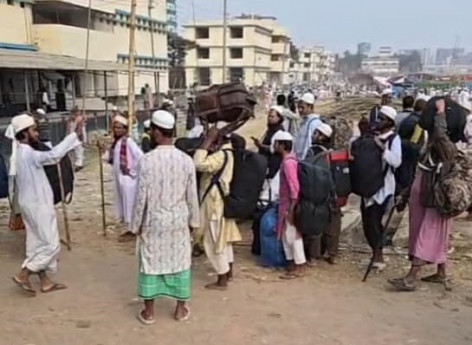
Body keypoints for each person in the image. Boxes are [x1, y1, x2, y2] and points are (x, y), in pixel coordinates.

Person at [130, 110, 199, 324]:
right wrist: (194, 222)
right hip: (178, 220)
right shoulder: (186, 160)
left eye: (151, 131)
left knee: (150, 262)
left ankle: (149, 312)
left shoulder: (146, 161)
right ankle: (180, 309)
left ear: (158, 133)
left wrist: (136, 224)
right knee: (179, 262)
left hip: (154, 221)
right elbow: (192, 195)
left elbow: (141, 196)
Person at [389, 99, 458, 291]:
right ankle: (441, 272)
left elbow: (440, 134)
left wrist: (441, 113)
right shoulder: (432, 146)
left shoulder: (447, 147)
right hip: (427, 193)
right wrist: (406, 192)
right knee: (437, 233)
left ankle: (412, 277)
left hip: (434, 197)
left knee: (426, 233)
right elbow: (421, 169)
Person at [11, 113, 84, 295]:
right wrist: (74, 133)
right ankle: (24, 274)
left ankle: (45, 282)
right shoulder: (29, 154)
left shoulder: (21, 153)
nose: (36, 134)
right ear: (24, 133)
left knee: (37, 243)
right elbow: (54, 156)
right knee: (51, 245)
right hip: (38, 205)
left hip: (30, 204)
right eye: (33, 130)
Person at [194, 126, 241, 290]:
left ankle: (222, 278)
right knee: (224, 239)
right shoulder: (228, 153)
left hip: (214, 203)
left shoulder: (221, 155)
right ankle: (228, 272)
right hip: (220, 202)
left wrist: (207, 142)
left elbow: (198, 163)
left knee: (214, 241)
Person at [360, 106, 402, 270]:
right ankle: (375, 253)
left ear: (390, 122)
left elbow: (396, 161)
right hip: (368, 185)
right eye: (379, 118)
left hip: (383, 187)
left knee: (374, 221)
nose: (378, 121)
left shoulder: (393, 139)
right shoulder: (373, 136)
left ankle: (379, 255)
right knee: (367, 221)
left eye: (382, 119)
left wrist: (383, 149)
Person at [100, 115, 143, 239]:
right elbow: (110, 158)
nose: (117, 130)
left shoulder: (128, 142)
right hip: (119, 178)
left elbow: (140, 157)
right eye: (115, 128)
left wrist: (131, 171)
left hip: (128, 178)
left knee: (130, 203)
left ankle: (132, 229)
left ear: (125, 129)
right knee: (123, 203)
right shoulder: (117, 143)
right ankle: (129, 227)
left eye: (120, 128)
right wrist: (102, 150)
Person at [304, 123, 341, 265]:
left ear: (321, 137)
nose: (313, 136)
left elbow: (307, 167)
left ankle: (314, 257)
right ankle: (332, 254)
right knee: (334, 223)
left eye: (315, 133)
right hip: (334, 193)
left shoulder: (313, 152)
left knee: (315, 223)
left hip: (318, 191)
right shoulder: (335, 152)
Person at [273, 130, 306, 278]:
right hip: (285, 204)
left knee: (292, 235)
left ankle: (299, 265)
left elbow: (294, 187)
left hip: (288, 205)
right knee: (286, 235)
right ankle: (292, 262)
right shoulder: (290, 161)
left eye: (276, 143)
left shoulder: (288, 163)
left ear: (281, 145)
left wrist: (292, 209)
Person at [252, 106, 285, 179]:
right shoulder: (271, 128)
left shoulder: (279, 132)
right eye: (269, 116)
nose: (269, 118)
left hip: (272, 164)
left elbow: (275, 148)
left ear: (279, 118)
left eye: (272, 116)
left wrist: (261, 146)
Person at [294, 93, 322, 160]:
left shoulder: (314, 123)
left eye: (302, 107)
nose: (300, 110)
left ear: (310, 107)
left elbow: (308, 145)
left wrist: (303, 162)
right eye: (298, 107)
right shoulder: (304, 122)